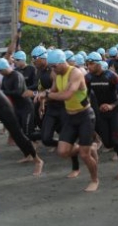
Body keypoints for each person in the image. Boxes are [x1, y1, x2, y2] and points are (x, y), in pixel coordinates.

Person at [37, 49, 98, 192]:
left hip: (85, 116)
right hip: (70, 117)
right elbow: (53, 91)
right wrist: (42, 97)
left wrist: (47, 94)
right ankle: (89, 148)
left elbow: (67, 95)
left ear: (62, 63)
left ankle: (94, 179)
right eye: (51, 67)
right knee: (63, 151)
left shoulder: (75, 73)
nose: (52, 70)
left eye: (54, 66)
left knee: (84, 155)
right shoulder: (57, 74)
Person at [85, 51, 118, 180]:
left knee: (115, 140)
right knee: (108, 144)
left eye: (91, 64)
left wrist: (112, 105)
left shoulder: (111, 76)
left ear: (99, 64)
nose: (88, 66)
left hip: (116, 110)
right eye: (87, 64)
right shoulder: (88, 78)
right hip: (101, 112)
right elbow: (84, 95)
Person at [0, 58, 37, 156]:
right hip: (17, 108)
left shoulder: (17, 75)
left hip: (26, 107)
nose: (0, 73)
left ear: (5, 68)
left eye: (0, 71)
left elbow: (18, 92)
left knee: (28, 133)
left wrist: (2, 92)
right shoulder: (5, 78)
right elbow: (2, 92)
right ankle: (28, 153)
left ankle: (47, 138)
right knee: (18, 132)